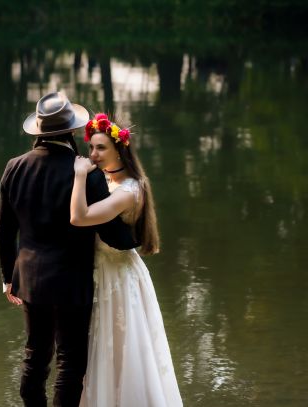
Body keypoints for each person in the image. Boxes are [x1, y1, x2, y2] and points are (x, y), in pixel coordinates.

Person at [0, 93, 138, 407]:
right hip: (72, 281)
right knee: (70, 362)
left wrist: (9, 278)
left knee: (35, 357)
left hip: (29, 279)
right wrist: (138, 231)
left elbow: (3, 231)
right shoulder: (87, 174)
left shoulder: (14, 167)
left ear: (39, 130)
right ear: (71, 132)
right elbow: (114, 236)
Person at [71, 114, 183, 407]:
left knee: (125, 351)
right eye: (91, 148)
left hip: (118, 278)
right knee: (97, 352)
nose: (92, 155)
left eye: (100, 148)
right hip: (98, 274)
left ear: (118, 150)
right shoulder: (107, 181)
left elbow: (79, 217)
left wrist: (80, 174)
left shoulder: (130, 190)